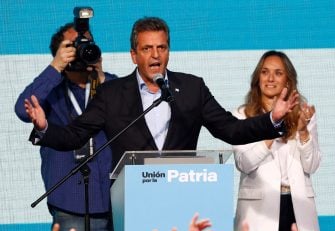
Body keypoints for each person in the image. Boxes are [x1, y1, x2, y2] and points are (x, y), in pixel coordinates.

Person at [23, 17, 298, 169]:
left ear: (168, 50)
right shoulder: (111, 93)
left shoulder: (192, 88)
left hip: (183, 200)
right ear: (134, 55)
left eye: (162, 47)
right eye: (147, 49)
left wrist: (272, 119)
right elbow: (75, 135)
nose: (155, 55)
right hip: (130, 202)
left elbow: (231, 130)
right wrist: (46, 128)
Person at [14, 22, 116, 231]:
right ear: (60, 53)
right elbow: (23, 109)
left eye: (86, 43)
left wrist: (101, 77)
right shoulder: (52, 91)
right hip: (69, 202)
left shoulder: (112, 84)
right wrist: (55, 67)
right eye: (73, 46)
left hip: (112, 202)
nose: (81, 50)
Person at [232, 50, 321, 231]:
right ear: (257, 78)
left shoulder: (304, 114)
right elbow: (244, 162)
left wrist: (303, 132)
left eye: (278, 73)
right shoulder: (242, 115)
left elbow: (312, 165)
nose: (270, 78)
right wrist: (271, 127)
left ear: (288, 81)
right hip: (258, 214)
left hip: (297, 211)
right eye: (265, 72)